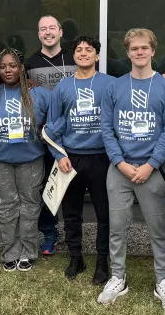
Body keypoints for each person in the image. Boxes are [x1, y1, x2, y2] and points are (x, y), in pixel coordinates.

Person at [98, 28, 165, 311]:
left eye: (144, 48)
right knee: (117, 228)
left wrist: (150, 165)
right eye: (134, 48)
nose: (139, 52)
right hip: (119, 169)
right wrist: (120, 163)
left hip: (151, 170)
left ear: (153, 50)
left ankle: (162, 281)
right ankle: (118, 278)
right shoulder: (115, 87)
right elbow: (106, 129)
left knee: (158, 229)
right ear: (128, 52)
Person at [45, 35, 115, 284]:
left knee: (104, 214)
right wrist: (59, 155)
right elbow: (51, 128)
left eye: (89, 50)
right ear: (73, 56)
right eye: (78, 50)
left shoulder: (110, 84)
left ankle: (102, 261)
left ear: (97, 56)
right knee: (72, 213)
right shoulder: (63, 88)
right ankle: (76, 257)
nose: (83, 53)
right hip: (70, 159)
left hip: (101, 158)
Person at [0, 48, 51, 272]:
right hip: (0, 161)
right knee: (5, 208)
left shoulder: (39, 94)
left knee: (30, 208)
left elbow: (57, 119)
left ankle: (28, 251)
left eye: (13, 65)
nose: (8, 70)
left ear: (21, 68)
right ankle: (10, 252)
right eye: (3, 66)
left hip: (31, 160)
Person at [25, 15, 76, 255]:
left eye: (52, 28)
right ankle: (49, 232)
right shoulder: (29, 63)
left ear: (60, 31)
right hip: (44, 136)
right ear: (38, 34)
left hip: (75, 132)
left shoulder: (75, 58)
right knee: (47, 185)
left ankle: (74, 234)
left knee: (73, 185)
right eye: (43, 29)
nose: (48, 32)